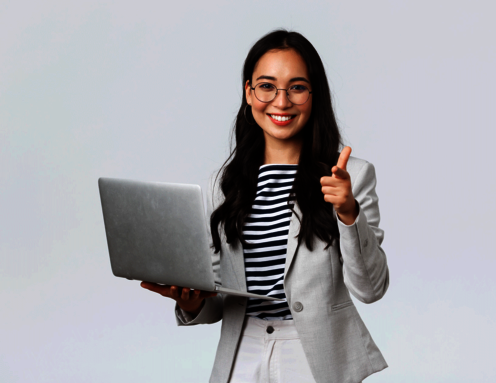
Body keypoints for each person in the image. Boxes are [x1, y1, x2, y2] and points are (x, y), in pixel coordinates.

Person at [141, 29, 389, 383]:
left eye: (297, 87)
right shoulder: (222, 184)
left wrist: (349, 213)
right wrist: (190, 301)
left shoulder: (351, 176)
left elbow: (370, 288)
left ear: (314, 95)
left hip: (314, 355)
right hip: (243, 351)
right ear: (249, 93)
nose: (281, 101)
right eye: (267, 86)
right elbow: (218, 300)